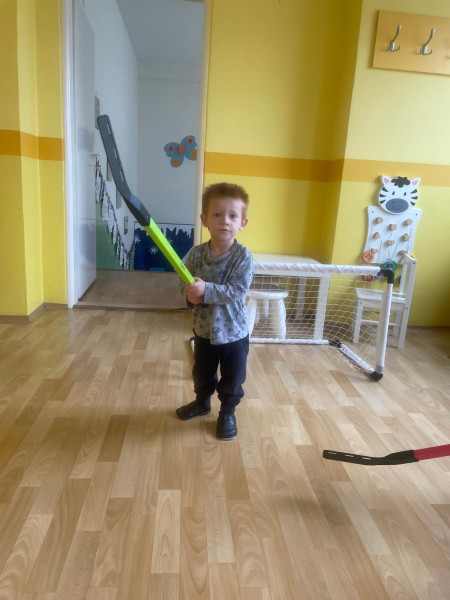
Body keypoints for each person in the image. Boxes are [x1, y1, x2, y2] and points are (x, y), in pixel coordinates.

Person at [177, 182, 254, 440]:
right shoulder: (196, 255)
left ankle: (227, 413)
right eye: (218, 214)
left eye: (232, 215)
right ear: (205, 220)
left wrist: (206, 290)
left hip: (234, 334)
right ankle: (202, 402)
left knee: (232, 378)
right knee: (202, 374)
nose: (225, 221)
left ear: (242, 223)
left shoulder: (243, 257)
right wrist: (189, 294)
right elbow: (184, 281)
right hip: (204, 331)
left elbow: (237, 290)